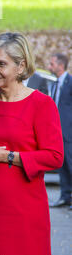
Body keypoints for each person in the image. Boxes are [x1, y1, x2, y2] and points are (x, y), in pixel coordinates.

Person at [0, 32, 64, 255]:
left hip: (26, 212)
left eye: (1, 64)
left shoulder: (42, 104)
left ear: (20, 66)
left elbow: (55, 156)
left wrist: (9, 157)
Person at [48, 53, 72, 210]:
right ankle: (65, 196)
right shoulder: (54, 84)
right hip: (57, 132)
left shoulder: (70, 83)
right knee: (62, 165)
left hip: (69, 133)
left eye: (52, 64)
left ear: (60, 65)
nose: (49, 67)